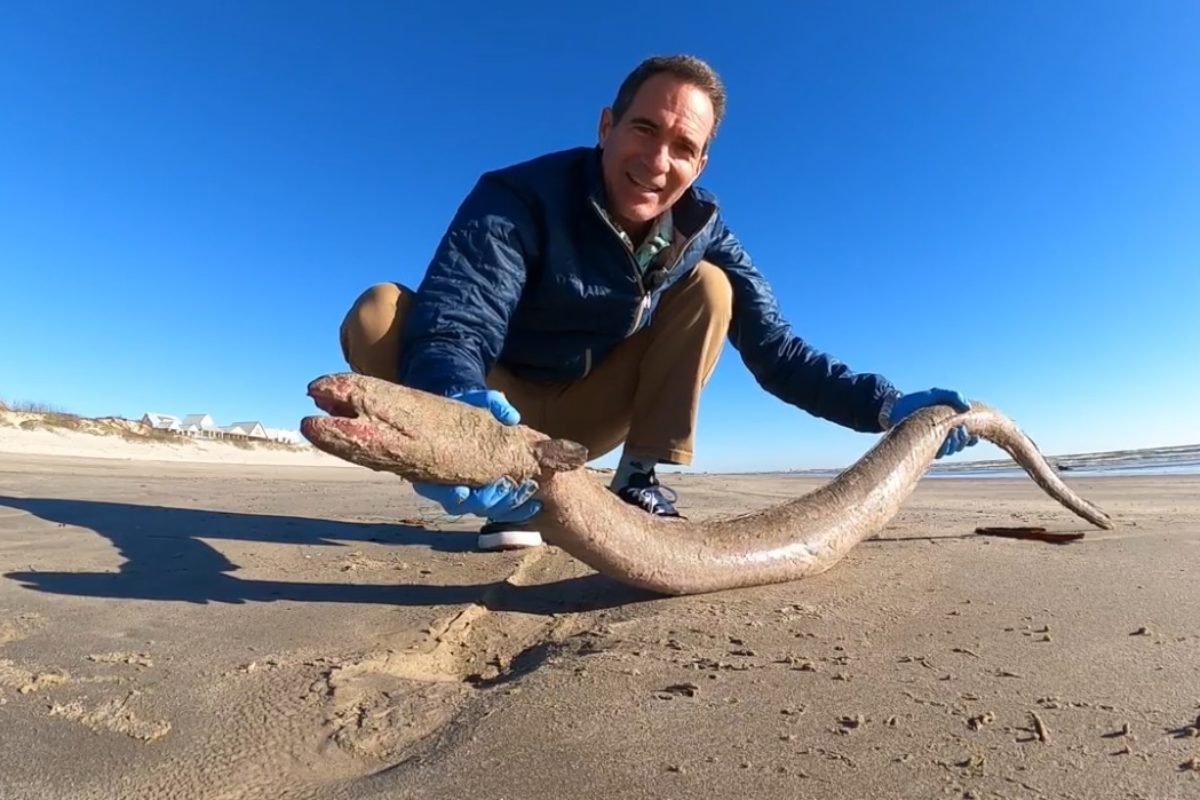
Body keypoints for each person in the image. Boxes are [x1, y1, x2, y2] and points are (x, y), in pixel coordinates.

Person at [339, 54, 976, 551]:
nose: (656, 160)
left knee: (711, 287)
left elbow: (777, 352)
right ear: (607, 127)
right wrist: (460, 416)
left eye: (682, 147)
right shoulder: (518, 194)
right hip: (495, 399)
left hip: (590, 410)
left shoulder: (705, 234)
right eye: (644, 129)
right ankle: (494, 480)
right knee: (378, 312)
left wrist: (885, 406)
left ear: (700, 163)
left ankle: (638, 479)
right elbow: (461, 314)